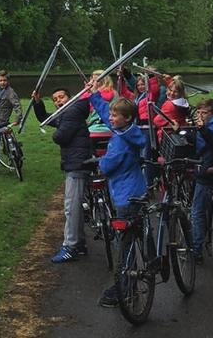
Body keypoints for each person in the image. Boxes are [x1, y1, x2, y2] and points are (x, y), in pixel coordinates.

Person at [87, 81, 148, 308]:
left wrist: (99, 162)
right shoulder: (128, 131)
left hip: (126, 197)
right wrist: (95, 96)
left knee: (124, 242)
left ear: (127, 119)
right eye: (111, 115)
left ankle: (124, 288)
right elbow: (105, 113)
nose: (110, 119)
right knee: (135, 237)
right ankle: (139, 271)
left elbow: (108, 166)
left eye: (115, 116)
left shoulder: (120, 141)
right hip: (136, 191)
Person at [32, 87, 91, 263]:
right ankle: (79, 243)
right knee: (75, 204)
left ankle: (70, 246)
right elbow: (46, 118)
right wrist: (37, 103)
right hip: (75, 161)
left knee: (71, 206)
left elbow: (60, 137)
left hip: (77, 163)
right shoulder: (68, 112)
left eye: (61, 97)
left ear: (69, 97)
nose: (58, 101)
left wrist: (57, 132)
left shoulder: (71, 112)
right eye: (55, 99)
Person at [191, 98, 213, 264]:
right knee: (211, 206)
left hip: (207, 170)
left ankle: (196, 250)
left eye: (204, 113)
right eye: (198, 112)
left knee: (197, 212)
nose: (201, 115)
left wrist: (202, 129)